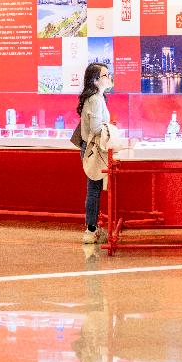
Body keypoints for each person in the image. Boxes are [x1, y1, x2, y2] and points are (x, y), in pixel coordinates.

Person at [77, 63, 112, 244]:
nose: (109, 77)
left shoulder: (96, 98)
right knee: (94, 189)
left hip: (90, 147)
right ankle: (91, 230)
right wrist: (112, 129)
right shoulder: (96, 100)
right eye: (105, 75)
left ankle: (92, 229)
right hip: (93, 149)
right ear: (96, 80)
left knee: (94, 189)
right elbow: (96, 128)